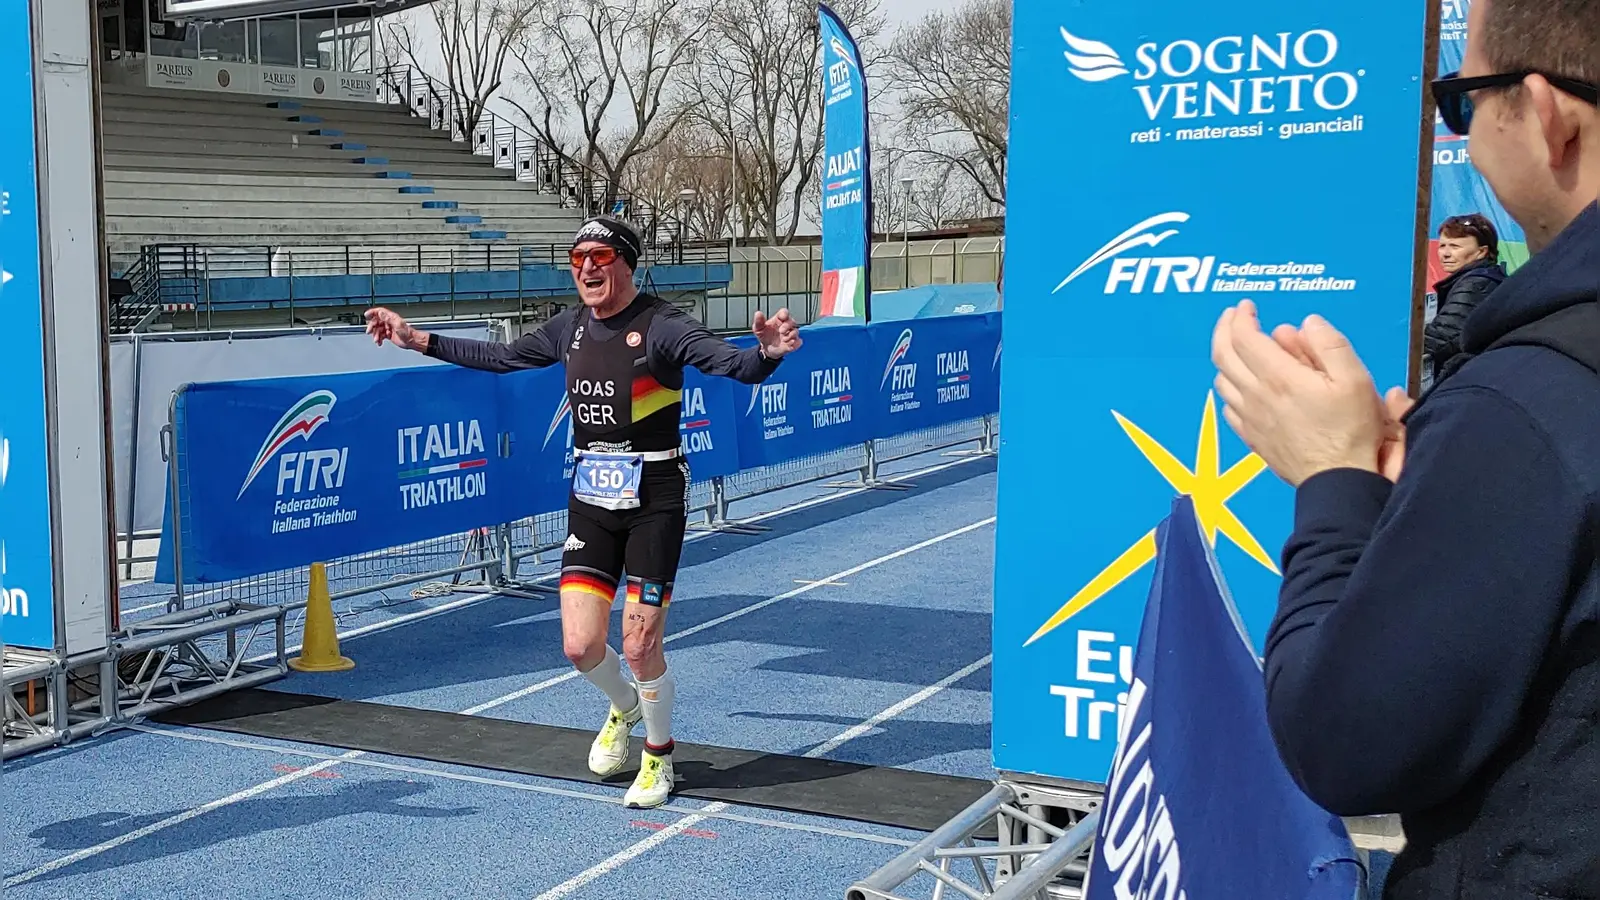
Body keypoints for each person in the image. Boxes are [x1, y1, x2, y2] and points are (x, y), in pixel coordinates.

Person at [1209, 0, 1599, 895]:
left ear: (1546, 115)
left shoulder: (1527, 408)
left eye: (1463, 99)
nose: (1463, 127)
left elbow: (1344, 743)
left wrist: (1335, 482)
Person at [364, 216, 802, 809]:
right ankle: (624, 706)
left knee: (640, 645)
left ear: (628, 263)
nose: (587, 268)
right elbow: (503, 356)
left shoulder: (662, 325)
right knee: (580, 646)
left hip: (654, 499)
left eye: (600, 257)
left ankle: (658, 754)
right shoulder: (569, 327)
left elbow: (732, 364)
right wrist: (417, 338)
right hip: (592, 499)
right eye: (577, 260)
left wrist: (767, 353)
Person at [1427, 213, 1507, 373]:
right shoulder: (1487, 277)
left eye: (1455, 246)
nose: (1445, 253)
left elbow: (1441, 339)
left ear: (1481, 252)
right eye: (1442, 246)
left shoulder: (1476, 285)